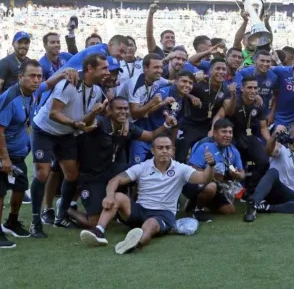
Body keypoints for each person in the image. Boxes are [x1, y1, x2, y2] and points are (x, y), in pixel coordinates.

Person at [79, 133, 215, 254]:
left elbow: (204, 178)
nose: (164, 151)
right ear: (152, 150)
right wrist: (109, 196)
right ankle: (99, 231)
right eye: (160, 148)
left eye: (168, 148)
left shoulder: (181, 169)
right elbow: (116, 179)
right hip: (141, 210)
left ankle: (134, 245)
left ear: (173, 151)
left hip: (164, 214)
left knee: (150, 224)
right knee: (118, 197)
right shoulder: (143, 167)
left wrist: (210, 165)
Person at [30, 54, 109, 238]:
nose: (107, 72)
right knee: (43, 173)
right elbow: (53, 113)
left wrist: (92, 116)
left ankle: (61, 215)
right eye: (103, 68)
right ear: (90, 68)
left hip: (65, 134)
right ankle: (36, 221)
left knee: (72, 174)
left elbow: (83, 119)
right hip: (44, 130)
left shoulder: (97, 90)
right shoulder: (69, 84)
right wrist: (75, 124)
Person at [70, 97, 178, 228]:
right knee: (93, 222)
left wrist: (166, 125)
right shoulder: (100, 122)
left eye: (126, 109)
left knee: (138, 171)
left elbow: (149, 136)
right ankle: (67, 211)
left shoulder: (128, 126)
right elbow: (85, 124)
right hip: (91, 177)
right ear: (109, 110)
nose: (123, 111)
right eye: (119, 108)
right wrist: (93, 113)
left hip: (111, 170)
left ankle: (132, 208)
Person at [0, 60, 72, 247]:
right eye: (32, 76)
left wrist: (64, 74)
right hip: (4, 154)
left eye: (39, 76)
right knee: (0, 192)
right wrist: (5, 158)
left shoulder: (33, 91)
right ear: (20, 77)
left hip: (18, 154)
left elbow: (48, 84)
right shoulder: (10, 98)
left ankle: (12, 222)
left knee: (19, 187)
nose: (36, 80)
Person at [175, 58, 237, 163]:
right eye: (218, 68)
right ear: (210, 71)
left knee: (212, 150)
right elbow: (179, 88)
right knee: (182, 151)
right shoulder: (200, 82)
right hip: (191, 124)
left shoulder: (225, 89)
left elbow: (228, 111)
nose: (221, 72)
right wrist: (191, 96)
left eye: (223, 69)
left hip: (208, 125)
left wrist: (233, 95)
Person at [183, 119, 245, 222]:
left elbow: (242, 172)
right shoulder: (205, 146)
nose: (228, 135)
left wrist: (237, 175)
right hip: (194, 183)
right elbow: (191, 169)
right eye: (224, 131)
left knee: (229, 210)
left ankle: (194, 202)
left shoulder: (233, 150)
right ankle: (198, 211)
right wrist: (211, 175)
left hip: (218, 185)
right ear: (215, 134)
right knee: (211, 187)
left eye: (230, 132)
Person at [226, 76, 271, 197]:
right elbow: (226, 113)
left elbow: (263, 127)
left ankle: (250, 190)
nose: (253, 90)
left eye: (255, 88)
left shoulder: (260, 104)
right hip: (232, 137)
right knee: (230, 163)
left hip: (249, 136)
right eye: (249, 87)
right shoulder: (235, 101)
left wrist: (271, 140)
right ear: (242, 89)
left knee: (264, 161)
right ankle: (229, 189)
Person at [123, 54, 171, 163]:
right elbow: (134, 113)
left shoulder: (158, 79)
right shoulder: (135, 83)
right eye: (155, 67)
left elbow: (174, 83)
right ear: (145, 68)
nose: (159, 70)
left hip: (137, 122)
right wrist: (152, 102)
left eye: (160, 67)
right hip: (124, 122)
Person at [235, 50, 279, 121]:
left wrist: (271, 113)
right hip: (243, 111)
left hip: (262, 114)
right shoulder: (244, 72)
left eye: (268, 61)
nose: (265, 64)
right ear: (255, 61)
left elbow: (276, 96)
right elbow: (238, 90)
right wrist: (255, 95)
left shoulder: (273, 77)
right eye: (262, 61)